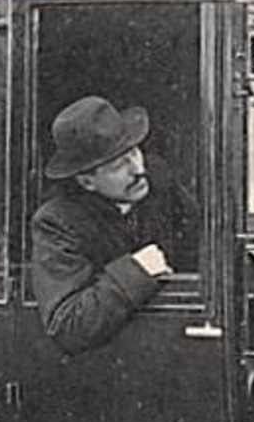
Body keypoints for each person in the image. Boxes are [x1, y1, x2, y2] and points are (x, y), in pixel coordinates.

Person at [30, 95, 175, 355]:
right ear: (87, 182)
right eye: (119, 165)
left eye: (134, 152)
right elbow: (67, 326)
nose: (137, 169)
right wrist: (137, 270)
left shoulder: (159, 183)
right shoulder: (58, 222)